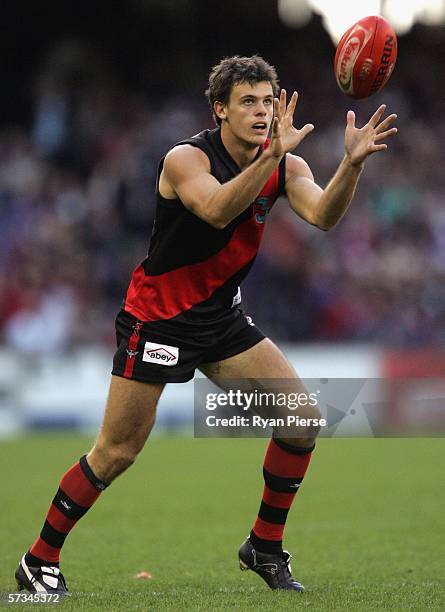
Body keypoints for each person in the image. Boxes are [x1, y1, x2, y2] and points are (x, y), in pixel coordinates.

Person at [15, 55, 397, 594]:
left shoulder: (286, 163)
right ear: (219, 109)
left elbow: (323, 216)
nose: (261, 112)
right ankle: (38, 560)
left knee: (301, 420)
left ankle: (263, 546)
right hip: (159, 319)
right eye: (248, 102)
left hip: (221, 317)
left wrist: (350, 165)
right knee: (117, 451)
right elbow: (216, 209)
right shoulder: (185, 159)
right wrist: (271, 160)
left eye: (268, 101)